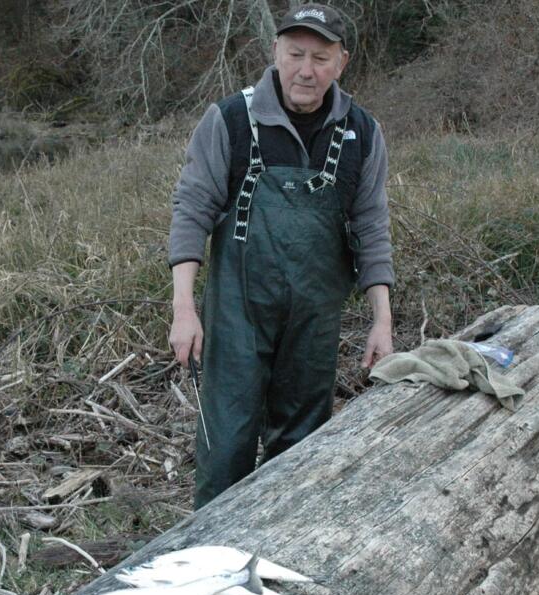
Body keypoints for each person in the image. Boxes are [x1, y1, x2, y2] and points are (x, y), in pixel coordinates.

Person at [168, 3, 394, 508]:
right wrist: (185, 310)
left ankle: (283, 553)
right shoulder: (229, 120)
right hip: (237, 318)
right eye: (295, 54)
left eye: (320, 57)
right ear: (276, 53)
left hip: (314, 323)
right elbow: (191, 212)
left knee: (301, 453)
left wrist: (382, 318)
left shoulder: (363, 132)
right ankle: (213, 562)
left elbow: (371, 228)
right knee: (225, 445)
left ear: (341, 63)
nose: (306, 70)